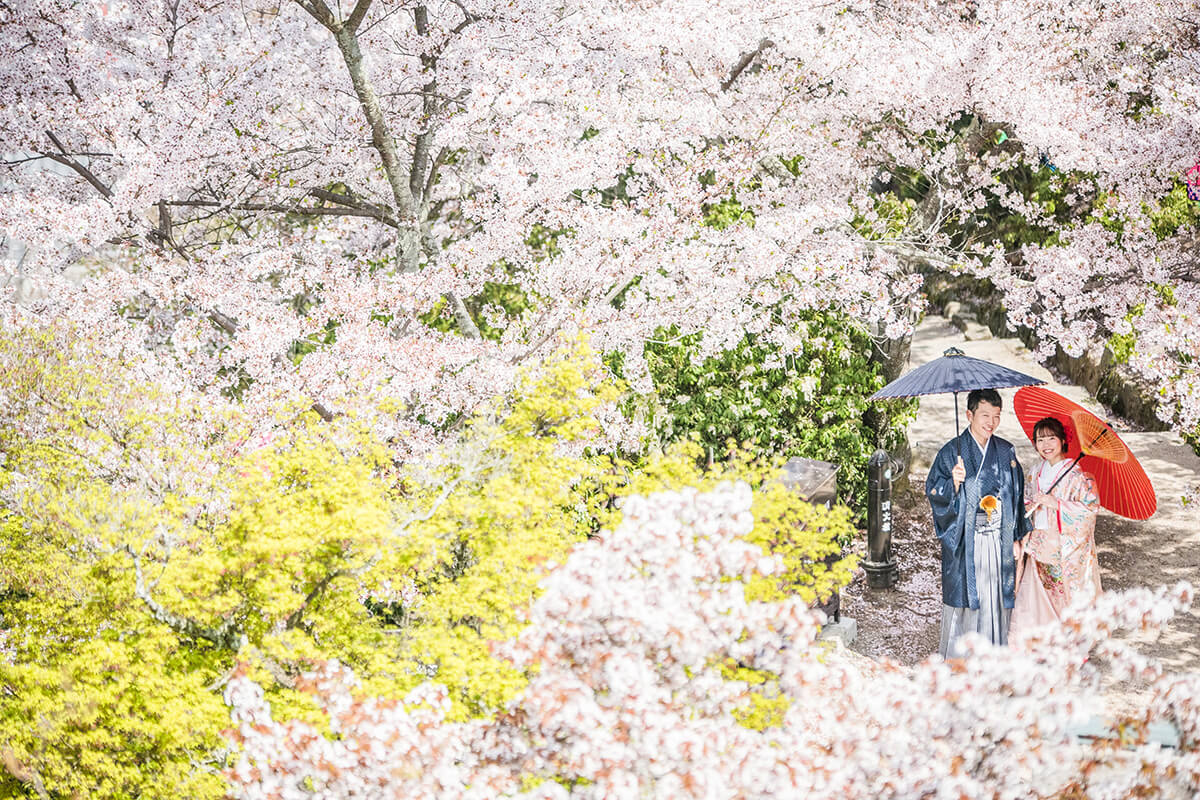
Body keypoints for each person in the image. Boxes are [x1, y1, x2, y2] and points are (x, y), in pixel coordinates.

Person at [926, 388, 1029, 657]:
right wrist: (953, 483)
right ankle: (961, 663)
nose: (991, 423)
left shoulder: (1005, 450)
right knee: (968, 597)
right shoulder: (951, 453)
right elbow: (935, 492)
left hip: (998, 539)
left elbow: (1016, 494)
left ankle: (994, 662)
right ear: (969, 414)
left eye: (996, 416)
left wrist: (1017, 536)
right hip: (967, 540)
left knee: (995, 597)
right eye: (985, 415)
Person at [1021, 416, 1102, 615]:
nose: (1045, 445)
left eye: (1051, 438)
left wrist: (1056, 504)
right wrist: (1031, 504)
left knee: (1064, 591)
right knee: (1043, 590)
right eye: (1040, 440)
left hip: (1063, 543)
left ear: (1063, 441)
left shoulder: (1076, 474)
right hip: (1038, 540)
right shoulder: (1035, 471)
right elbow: (1025, 499)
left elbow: (1090, 509)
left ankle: (1070, 636)